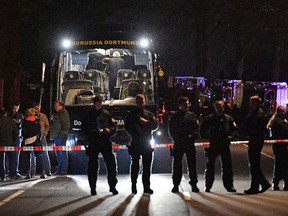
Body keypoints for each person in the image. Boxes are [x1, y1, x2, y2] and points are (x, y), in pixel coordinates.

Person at [82, 95, 118, 196]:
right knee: (93, 166)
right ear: (94, 103)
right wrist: (95, 132)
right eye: (96, 102)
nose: (98, 104)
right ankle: (93, 188)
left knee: (111, 165)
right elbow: (84, 129)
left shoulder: (106, 114)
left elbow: (114, 126)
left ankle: (112, 186)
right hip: (94, 142)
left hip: (105, 142)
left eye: (100, 102)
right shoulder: (88, 115)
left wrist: (109, 130)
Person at [201, 100, 237, 193]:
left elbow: (234, 130)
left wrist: (231, 136)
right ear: (215, 108)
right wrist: (208, 137)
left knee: (227, 166)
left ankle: (229, 186)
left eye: (221, 107)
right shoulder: (209, 119)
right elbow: (202, 130)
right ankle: (208, 185)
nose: (219, 109)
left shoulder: (228, 119)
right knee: (210, 166)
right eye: (217, 108)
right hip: (214, 143)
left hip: (224, 143)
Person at [125, 94, 158, 194]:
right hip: (136, 142)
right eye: (139, 102)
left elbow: (155, 125)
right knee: (135, 165)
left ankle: (146, 187)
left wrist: (146, 123)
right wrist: (136, 127)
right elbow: (127, 126)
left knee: (146, 167)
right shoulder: (131, 114)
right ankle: (134, 186)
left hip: (146, 142)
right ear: (136, 102)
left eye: (142, 102)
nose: (140, 104)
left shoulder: (148, 114)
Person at [169, 97, 200, 193]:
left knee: (192, 165)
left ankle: (194, 184)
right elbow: (171, 130)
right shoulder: (175, 117)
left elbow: (196, 128)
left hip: (189, 143)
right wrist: (177, 139)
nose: (187, 105)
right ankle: (176, 184)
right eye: (185, 104)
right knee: (177, 165)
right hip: (179, 143)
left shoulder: (192, 116)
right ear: (180, 105)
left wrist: (192, 137)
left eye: (187, 104)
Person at [243, 95, 271, 194]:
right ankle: (258, 185)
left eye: (251, 102)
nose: (249, 104)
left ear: (255, 103)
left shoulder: (258, 115)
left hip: (255, 140)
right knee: (254, 164)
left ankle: (261, 184)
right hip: (256, 140)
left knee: (254, 164)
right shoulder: (258, 113)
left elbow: (254, 129)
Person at [267, 106, 288, 190]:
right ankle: (282, 183)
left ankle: (276, 183)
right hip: (280, 146)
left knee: (279, 164)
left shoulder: (273, 120)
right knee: (283, 164)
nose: (284, 113)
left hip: (277, 146)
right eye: (283, 112)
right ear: (279, 112)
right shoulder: (279, 121)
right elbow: (286, 130)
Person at [21, 108, 45, 179]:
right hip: (36, 141)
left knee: (27, 157)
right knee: (39, 156)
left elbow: (24, 132)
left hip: (27, 141)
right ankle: (42, 171)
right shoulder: (37, 121)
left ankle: (28, 173)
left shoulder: (25, 121)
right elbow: (39, 130)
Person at [50, 101, 70, 177]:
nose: (55, 108)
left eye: (56, 106)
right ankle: (59, 170)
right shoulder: (57, 114)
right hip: (56, 136)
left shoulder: (64, 113)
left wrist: (61, 133)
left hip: (61, 136)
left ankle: (63, 170)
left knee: (62, 153)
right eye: (55, 106)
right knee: (58, 153)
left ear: (61, 106)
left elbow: (66, 125)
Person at [31, 102, 51, 176]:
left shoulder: (43, 116)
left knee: (45, 153)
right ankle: (32, 171)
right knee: (32, 154)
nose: (38, 109)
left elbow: (47, 126)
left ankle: (47, 170)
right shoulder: (31, 116)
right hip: (33, 138)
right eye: (36, 108)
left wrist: (45, 133)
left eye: (39, 107)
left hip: (42, 137)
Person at [0, 107, 18, 181]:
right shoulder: (11, 121)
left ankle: (2, 175)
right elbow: (15, 133)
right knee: (12, 159)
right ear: (6, 113)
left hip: (0, 143)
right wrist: (13, 141)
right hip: (10, 143)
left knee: (0, 160)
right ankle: (12, 174)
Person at [8, 102, 24, 180]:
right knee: (12, 156)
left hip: (16, 137)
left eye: (16, 108)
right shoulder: (9, 115)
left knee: (14, 156)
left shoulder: (19, 115)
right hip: (12, 138)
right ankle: (12, 173)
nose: (14, 110)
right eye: (14, 108)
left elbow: (21, 124)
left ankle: (14, 172)